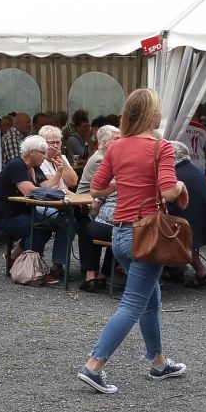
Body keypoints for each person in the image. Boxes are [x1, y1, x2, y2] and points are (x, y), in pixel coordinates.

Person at [78, 88, 190, 394]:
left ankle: (158, 362)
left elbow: (97, 189)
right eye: (158, 109)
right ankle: (94, 365)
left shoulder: (116, 147)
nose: (160, 114)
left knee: (150, 300)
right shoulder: (161, 147)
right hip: (147, 234)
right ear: (151, 114)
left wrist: (126, 182)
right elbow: (169, 192)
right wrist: (181, 184)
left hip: (120, 233)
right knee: (132, 304)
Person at [0, 136, 71, 284]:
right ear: (31, 152)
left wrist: (59, 171)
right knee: (39, 227)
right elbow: (29, 192)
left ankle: (16, 258)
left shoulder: (34, 167)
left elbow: (47, 187)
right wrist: (49, 192)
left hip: (17, 211)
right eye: (43, 153)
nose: (45, 156)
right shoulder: (17, 165)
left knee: (44, 225)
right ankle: (33, 269)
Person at [74, 125, 122, 291]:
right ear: (104, 142)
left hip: (99, 206)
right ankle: (100, 273)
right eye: (117, 139)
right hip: (84, 204)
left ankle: (93, 275)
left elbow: (101, 196)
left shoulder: (113, 161)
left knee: (94, 228)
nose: (121, 142)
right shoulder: (100, 160)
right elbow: (99, 192)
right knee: (108, 228)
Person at [169, 142, 206, 287]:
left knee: (150, 226)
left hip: (184, 226)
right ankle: (201, 272)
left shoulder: (174, 174)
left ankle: (173, 269)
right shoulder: (195, 171)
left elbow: (167, 201)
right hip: (204, 224)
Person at [34, 125, 79, 190]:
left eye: (58, 143)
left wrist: (60, 158)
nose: (55, 146)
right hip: (54, 195)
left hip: (66, 195)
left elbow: (73, 182)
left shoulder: (62, 157)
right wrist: (74, 195)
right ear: (42, 144)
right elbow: (55, 187)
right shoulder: (40, 160)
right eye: (51, 143)